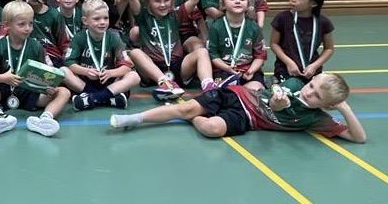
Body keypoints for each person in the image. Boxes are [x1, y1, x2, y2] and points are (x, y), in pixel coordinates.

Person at [110, 73, 367, 144]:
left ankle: (196, 116)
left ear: (327, 105)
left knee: (211, 129)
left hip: (246, 119)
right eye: (311, 85)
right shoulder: (293, 85)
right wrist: (278, 102)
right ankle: (134, 118)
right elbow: (277, 100)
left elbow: (359, 138)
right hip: (235, 95)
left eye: (316, 95)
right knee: (185, 109)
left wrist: (344, 108)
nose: (308, 92)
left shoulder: (317, 119)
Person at [0, 0, 70, 137]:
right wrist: (3, 78)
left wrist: (48, 86)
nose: (28, 28)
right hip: (3, 89)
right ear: (7, 25)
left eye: (31, 23)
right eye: (22, 24)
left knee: (64, 92)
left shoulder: (36, 46)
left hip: (30, 91)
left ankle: (45, 119)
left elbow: (47, 73)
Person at [127, 0, 215, 101]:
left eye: (166, 1)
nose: (163, 5)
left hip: (176, 65)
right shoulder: (143, 16)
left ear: (172, 1)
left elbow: (193, 0)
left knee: (202, 52)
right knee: (135, 53)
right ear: (148, 2)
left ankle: (209, 87)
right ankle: (165, 83)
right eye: (157, 1)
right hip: (152, 67)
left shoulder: (175, 14)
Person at [63, 0, 140, 110]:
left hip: (109, 81)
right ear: (85, 21)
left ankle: (92, 98)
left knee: (134, 76)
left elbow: (126, 66)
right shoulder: (79, 38)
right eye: (97, 19)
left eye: (105, 18)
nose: (102, 22)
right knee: (63, 71)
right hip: (86, 81)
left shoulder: (114, 37)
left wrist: (111, 73)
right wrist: (85, 71)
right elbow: (69, 63)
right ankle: (108, 99)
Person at [270, 0, 334, 84]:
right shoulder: (282, 18)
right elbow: (274, 44)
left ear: (313, 3)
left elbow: (329, 49)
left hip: (312, 72)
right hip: (286, 71)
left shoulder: (323, 22)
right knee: (291, 87)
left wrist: (315, 65)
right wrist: (289, 62)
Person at [207, 0, 267, 90]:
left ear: (248, 4)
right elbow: (213, 55)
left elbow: (260, 55)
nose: (238, 1)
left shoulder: (254, 27)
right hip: (224, 70)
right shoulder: (216, 27)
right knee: (225, 91)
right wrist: (227, 68)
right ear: (223, 4)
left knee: (256, 89)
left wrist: (251, 70)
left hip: (248, 70)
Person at [20, 0, 69, 69]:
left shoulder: (54, 14)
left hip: (52, 57)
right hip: (27, 55)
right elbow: (15, 19)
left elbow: (64, 44)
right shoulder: (21, 12)